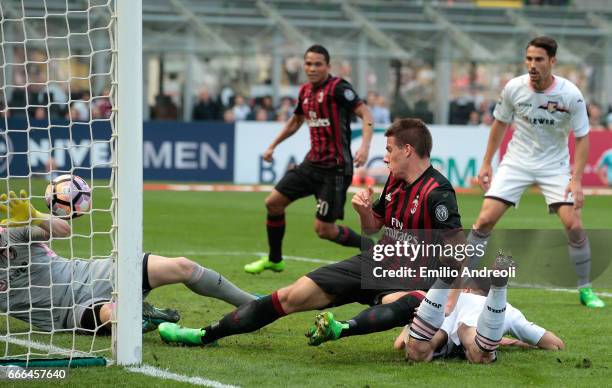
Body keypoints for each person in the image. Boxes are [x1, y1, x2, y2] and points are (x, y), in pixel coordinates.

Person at [158, 118, 465, 347]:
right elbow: (374, 227)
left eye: (388, 150)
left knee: (409, 302)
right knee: (291, 296)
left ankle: (339, 328)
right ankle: (205, 335)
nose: (384, 157)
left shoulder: (438, 192)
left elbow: (456, 252)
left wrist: (448, 301)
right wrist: (363, 210)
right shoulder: (395, 181)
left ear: (407, 150)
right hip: (375, 262)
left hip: (413, 277)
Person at [467, 36, 605, 308]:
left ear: (552, 61)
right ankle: (460, 280)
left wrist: (576, 180)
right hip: (516, 163)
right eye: (529, 59)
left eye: (539, 59)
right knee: (483, 221)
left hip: (555, 167)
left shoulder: (571, 95)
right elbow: (499, 125)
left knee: (574, 225)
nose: (532, 64)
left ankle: (585, 288)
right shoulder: (513, 88)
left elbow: (582, 138)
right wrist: (486, 163)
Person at [0, 190, 256, 334]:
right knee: (115, 316)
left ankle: (255, 306)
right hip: (67, 313)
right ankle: (146, 315)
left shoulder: (10, 230)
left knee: (183, 266)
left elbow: (61, 230)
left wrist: (34, 216)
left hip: (88, 273)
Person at [243, 44, 375, 274]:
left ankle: (371, 247)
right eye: (308, 63)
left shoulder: (338, 88)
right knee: (273, 203)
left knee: (324, 230)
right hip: (311, 164)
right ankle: (275, 259)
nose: (312, 68)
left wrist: (364, 146)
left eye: (317, 64)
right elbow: (295, 121)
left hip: (334, 170)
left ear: (328, 66)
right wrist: (273, 145)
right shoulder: (304, 91)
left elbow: (365, 113)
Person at [403, 253, 564, 363]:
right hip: (485, 326)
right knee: (479, 353)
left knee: (417, 350)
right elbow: (556, 344)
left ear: (466, 289)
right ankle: (499, 289)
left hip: (444, 318)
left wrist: (412, 327)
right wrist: (516, 342)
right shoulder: (509, 310)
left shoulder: (451, 300)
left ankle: (445, 279)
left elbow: (399, 343)